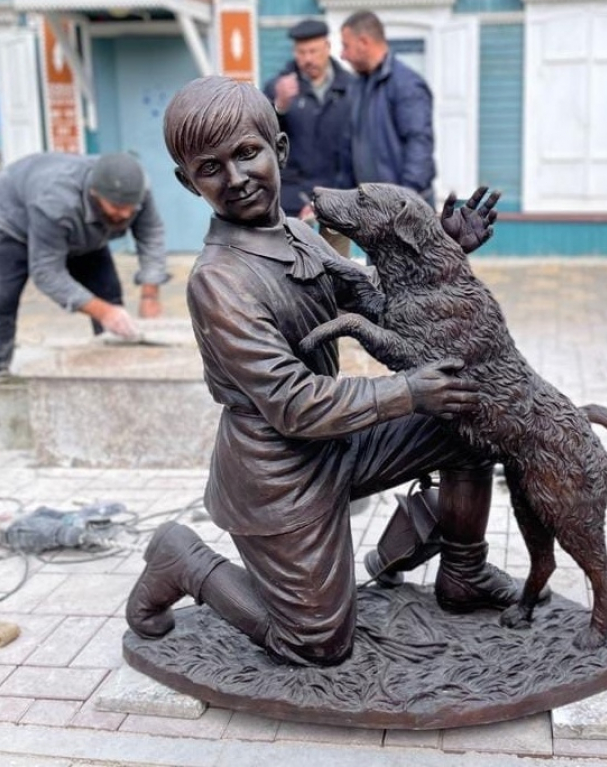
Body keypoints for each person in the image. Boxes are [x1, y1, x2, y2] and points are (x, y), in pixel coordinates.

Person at [125, 75, 515, 667]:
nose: (235, 178)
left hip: (337, 439)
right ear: (189, 182)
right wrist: (408, 391)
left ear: (279, 150)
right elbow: (291, 401)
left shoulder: (300, 234)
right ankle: (184, 560)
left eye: (248, 153)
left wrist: (439, 255)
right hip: (278, 474)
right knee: (315, 644)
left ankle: (464, 573)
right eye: (211, 168)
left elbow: (378, 306)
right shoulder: (219, 280)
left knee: (469, 415)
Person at [0, 151, 168, 377]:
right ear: (94, 194)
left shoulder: (136, 190)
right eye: (117, 208)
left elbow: (150, 233)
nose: (126, 213)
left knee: (110, 298)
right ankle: (2, 374)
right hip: (13, 224)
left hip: (83, 232)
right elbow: (47, 272)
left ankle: (116, 368)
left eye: (131, 207)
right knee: (4, 300)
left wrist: (150, 295)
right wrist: (104, 312)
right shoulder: (54, 203)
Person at [262, 18, 353, 256]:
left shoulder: (351, 89)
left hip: (337, 201)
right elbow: (262, 140)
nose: (308, 59)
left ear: (327, 47)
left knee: (338, 273)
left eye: (313, 51)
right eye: (301, 52)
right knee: (295, 275)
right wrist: (279, 106)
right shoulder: (277, 88)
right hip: (292, 202)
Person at [340, 10, 437, 208]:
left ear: (364, 42)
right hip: (372, 209)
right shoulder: (357, 86)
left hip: (405, 211)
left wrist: (406, 200)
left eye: (346, 46)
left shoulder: (406, 84)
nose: (342, 55)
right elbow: (351, 149)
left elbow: (419, 143)